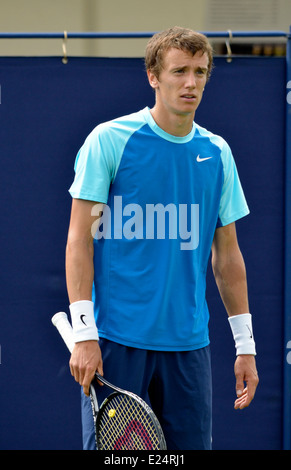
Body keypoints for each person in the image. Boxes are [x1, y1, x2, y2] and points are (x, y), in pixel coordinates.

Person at [65, 26, 259, 450]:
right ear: (153, 76)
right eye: (179, 72)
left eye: (200, 72)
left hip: (190, 349)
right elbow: (79, 239)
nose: (191, 83)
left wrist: (246, 346)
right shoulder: (109, 141)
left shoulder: (219, 153)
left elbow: (227, 256)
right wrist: (84, 334)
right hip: (117, 344)